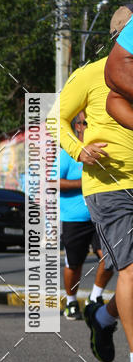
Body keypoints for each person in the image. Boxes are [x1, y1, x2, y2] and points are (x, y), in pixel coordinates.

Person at [58, 6, 133, 362]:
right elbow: (55, 119)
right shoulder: (90, 74)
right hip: (109, 185)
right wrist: (79, 150)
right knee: (132, 268)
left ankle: (103, 318)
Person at [58, 114, 113, 320]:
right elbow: (54, 182)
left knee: (110, 257)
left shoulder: (102, 150)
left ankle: (95, 297)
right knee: (74, 263)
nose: (88, 126)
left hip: (100, 216)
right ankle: (71, 302)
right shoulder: (68, 154)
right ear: (78, 128)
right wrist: (84, 183)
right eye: (84, 123)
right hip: (74, 218)